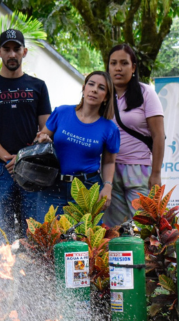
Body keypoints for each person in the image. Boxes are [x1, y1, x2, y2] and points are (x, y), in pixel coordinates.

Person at [0, 29, 52, 242]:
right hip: (1, 168)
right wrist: (10, 158)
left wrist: (22, 159)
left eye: (16, 49)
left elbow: (46, 129)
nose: (11, 54)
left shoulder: (38, 86)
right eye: (6, 49)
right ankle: (6, 275)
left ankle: (32, 272)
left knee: (34, 231)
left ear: (24, 52)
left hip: (32, 168)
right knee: (3, 234)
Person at [34, 71, 120, 216]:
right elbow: (40, 139)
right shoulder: (61, 112)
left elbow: (109, 162)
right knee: (48, 236)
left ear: (106, 97)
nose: (94, 89)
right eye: (91, 84)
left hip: (86, 188)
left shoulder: (110, 129)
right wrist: (43, 140)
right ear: (84, 88)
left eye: (101, 87)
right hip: (52, 185)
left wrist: (108, 186)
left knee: (83, 237)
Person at [102, 44, 165, 228]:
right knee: (113, 229)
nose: (118, 68)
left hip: (140, 170)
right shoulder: (103, 94)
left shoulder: (146, 93)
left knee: (143, 227)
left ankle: (146, 258)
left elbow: (159, 136)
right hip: (109, 171)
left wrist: (156, 173)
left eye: (124, 63)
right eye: (113, 63)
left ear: (134, 67)